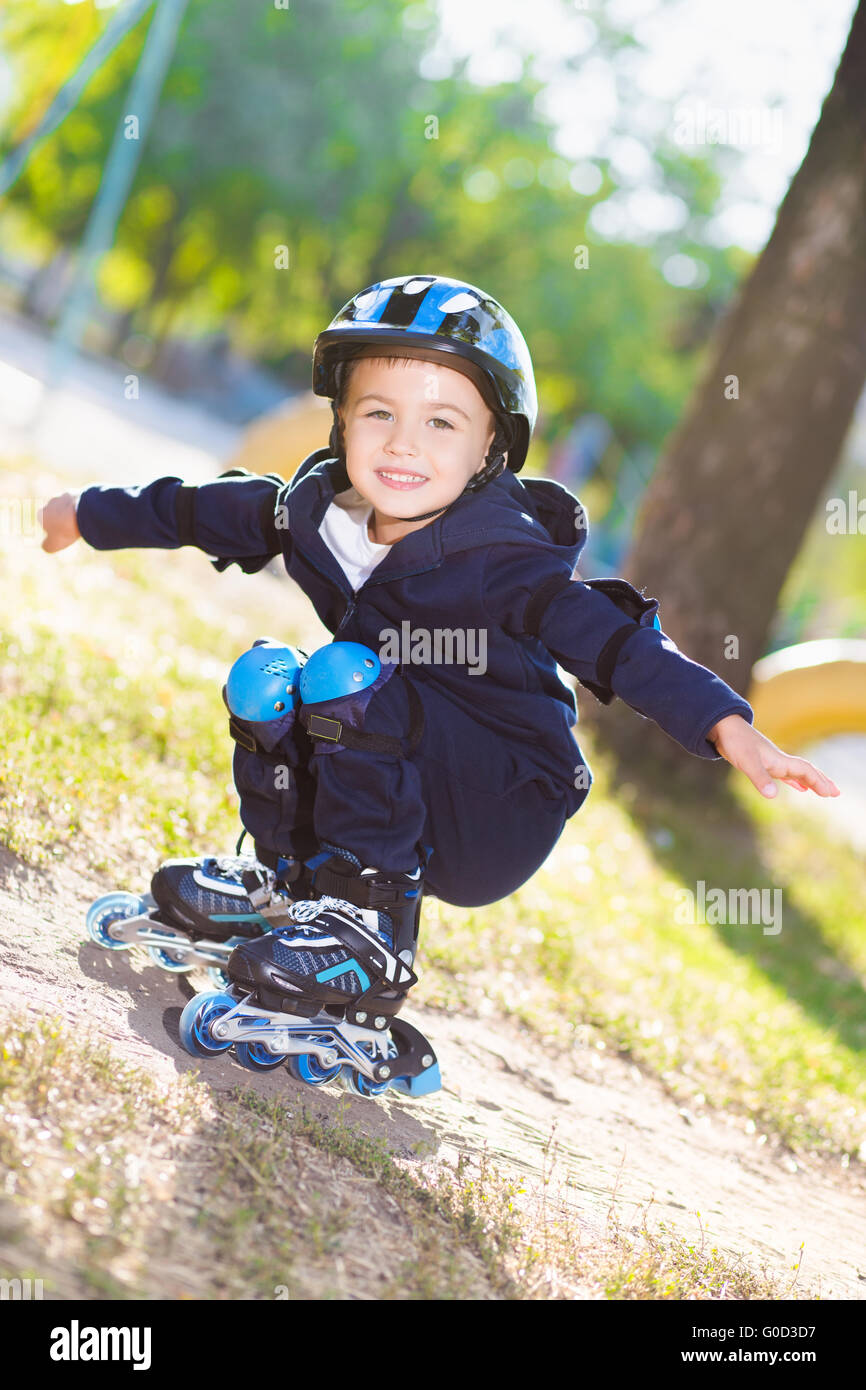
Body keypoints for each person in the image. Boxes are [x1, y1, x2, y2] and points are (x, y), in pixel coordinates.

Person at [39, 272, 839, 1028]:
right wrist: (91, 513)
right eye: (378, 413)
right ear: (341, 421)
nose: (403, 445)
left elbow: (620, 646)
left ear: (492, 448)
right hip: (394, 758)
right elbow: (205, 511)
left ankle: (370, 936)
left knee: (347, 680)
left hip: (498, 796)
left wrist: (724, 724)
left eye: (441, 423)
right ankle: (288, 889)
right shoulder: (318, 516)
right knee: (267, 680)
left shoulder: (507, 563)